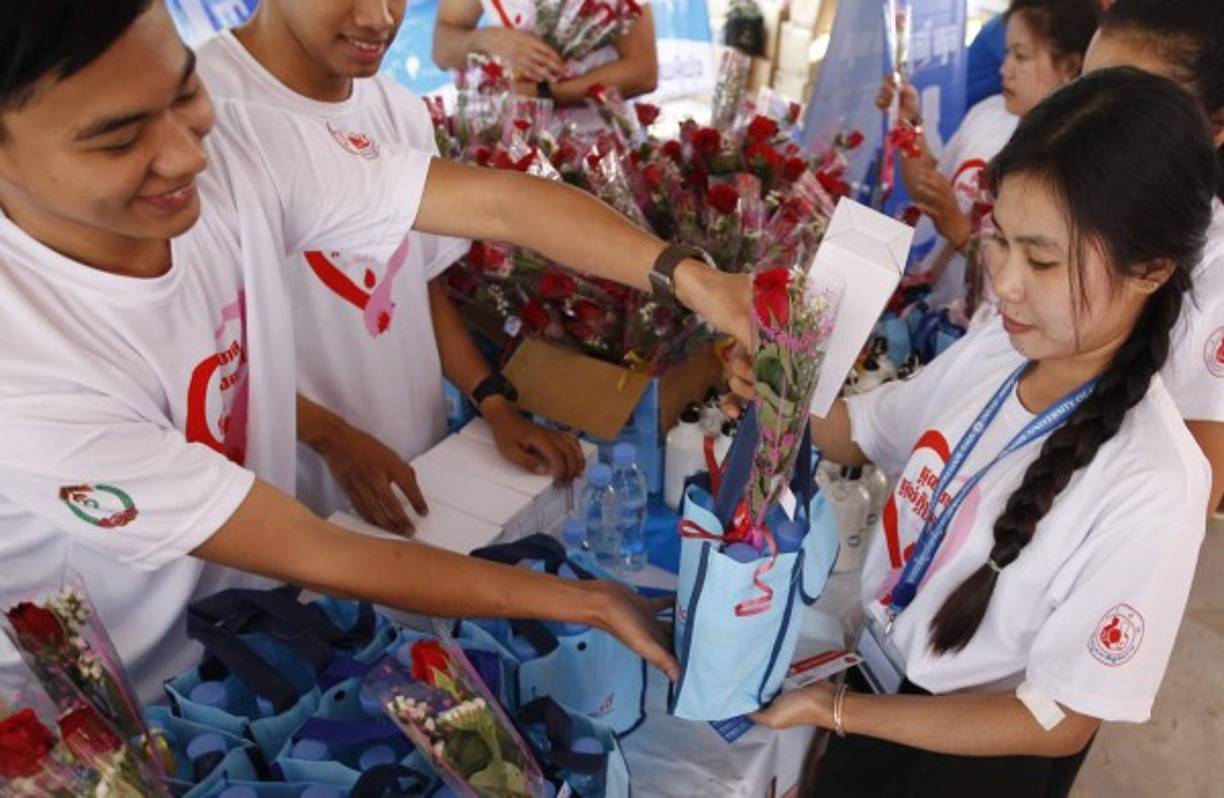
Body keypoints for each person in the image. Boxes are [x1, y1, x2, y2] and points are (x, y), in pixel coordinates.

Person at [0, 0, 747, 701]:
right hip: (106, 707)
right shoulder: (23, 366)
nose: (185, 155)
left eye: (187, 94)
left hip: (248, 638)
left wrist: (695, 282)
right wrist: (581, 602)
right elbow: (315, 549)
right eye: (119, 140)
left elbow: (497, 201)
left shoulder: (239, 146)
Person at [741, 69, 1216, 795]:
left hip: (969, 765)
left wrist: (842, 712)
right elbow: (858, 433)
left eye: (1044, 260)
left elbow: (1056, 720)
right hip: (872, 694)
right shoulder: (999, 349)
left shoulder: (1156, 482)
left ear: (1149, 268)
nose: (1005, 283)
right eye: (1000, 242)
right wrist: (781, 381)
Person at [195, 0, 584, 533]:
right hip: (293, 500)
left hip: (421, 474)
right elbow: (195, 344)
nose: (380, 19)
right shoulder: (195, 113)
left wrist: (493, 403)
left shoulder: (400, 110)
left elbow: (420, 282)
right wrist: (330, 436)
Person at [1081, 0, 1224, 518]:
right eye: (1083, 90)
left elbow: (1188, 504)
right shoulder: (1066, 213)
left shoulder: (1216, 273)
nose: (1089, 120)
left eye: (1128, 103)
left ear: (1214, 126)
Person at [878, 0, 1097, 309]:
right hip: (936, 309)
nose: (1004, 69)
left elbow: (1031, 289)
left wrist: (958, 229)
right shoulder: (989, 113)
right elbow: (929, 189)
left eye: (1021, 56)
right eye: (1007, 52)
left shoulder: (1070, 165)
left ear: (1070, 68)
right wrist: (908, 122)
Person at [432, 0, 658, 129]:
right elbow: (441, 50)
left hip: (601, 141)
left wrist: (544, 93)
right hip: (515, 145)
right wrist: (484, 39)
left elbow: (643, 72)